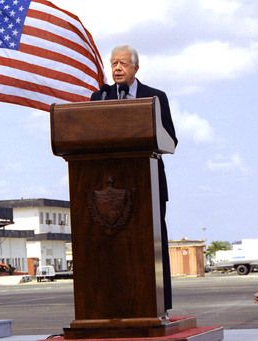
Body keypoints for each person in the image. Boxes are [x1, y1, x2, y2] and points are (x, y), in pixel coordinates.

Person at [90, 45, 178, 315]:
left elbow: (171, 141)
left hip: (148, 182)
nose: (117, 68)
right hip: (111, 186)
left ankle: (160, 304)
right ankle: (116, 303)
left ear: (135, 68)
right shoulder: (100, 97)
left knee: (152, 243)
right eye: (113, 63)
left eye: (123, 63)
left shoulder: (155, 96)